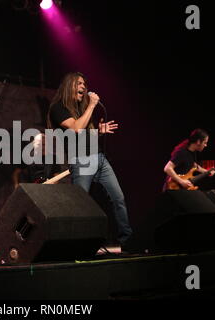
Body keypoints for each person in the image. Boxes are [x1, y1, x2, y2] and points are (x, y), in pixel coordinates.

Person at [47, 72, 132, 251]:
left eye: (85, 84)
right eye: (79, 84)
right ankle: (77, 244)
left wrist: (98, 132)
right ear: (69, 85)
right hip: (81, 161)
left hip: (99, 158)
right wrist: (92, 105)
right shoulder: (58, 108)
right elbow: (76, 128)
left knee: (118, 198)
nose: (84, 87)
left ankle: (127, 241)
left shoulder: (82, 108)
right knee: (81, 205)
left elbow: (85, 135)